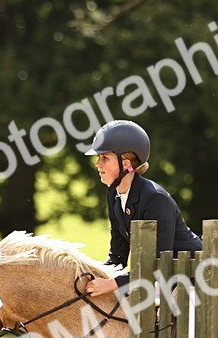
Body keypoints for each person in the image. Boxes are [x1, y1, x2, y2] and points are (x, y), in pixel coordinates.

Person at [82, 120, 202, 296]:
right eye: (99, 157)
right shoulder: (113, 195)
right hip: (158, 280)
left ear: (126, 164)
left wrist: (112, 283)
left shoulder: (155, 198)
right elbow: (117, 257)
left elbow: (159, 264)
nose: (97, 164)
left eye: (105, 158)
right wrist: (95, 274)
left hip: (192, 280)